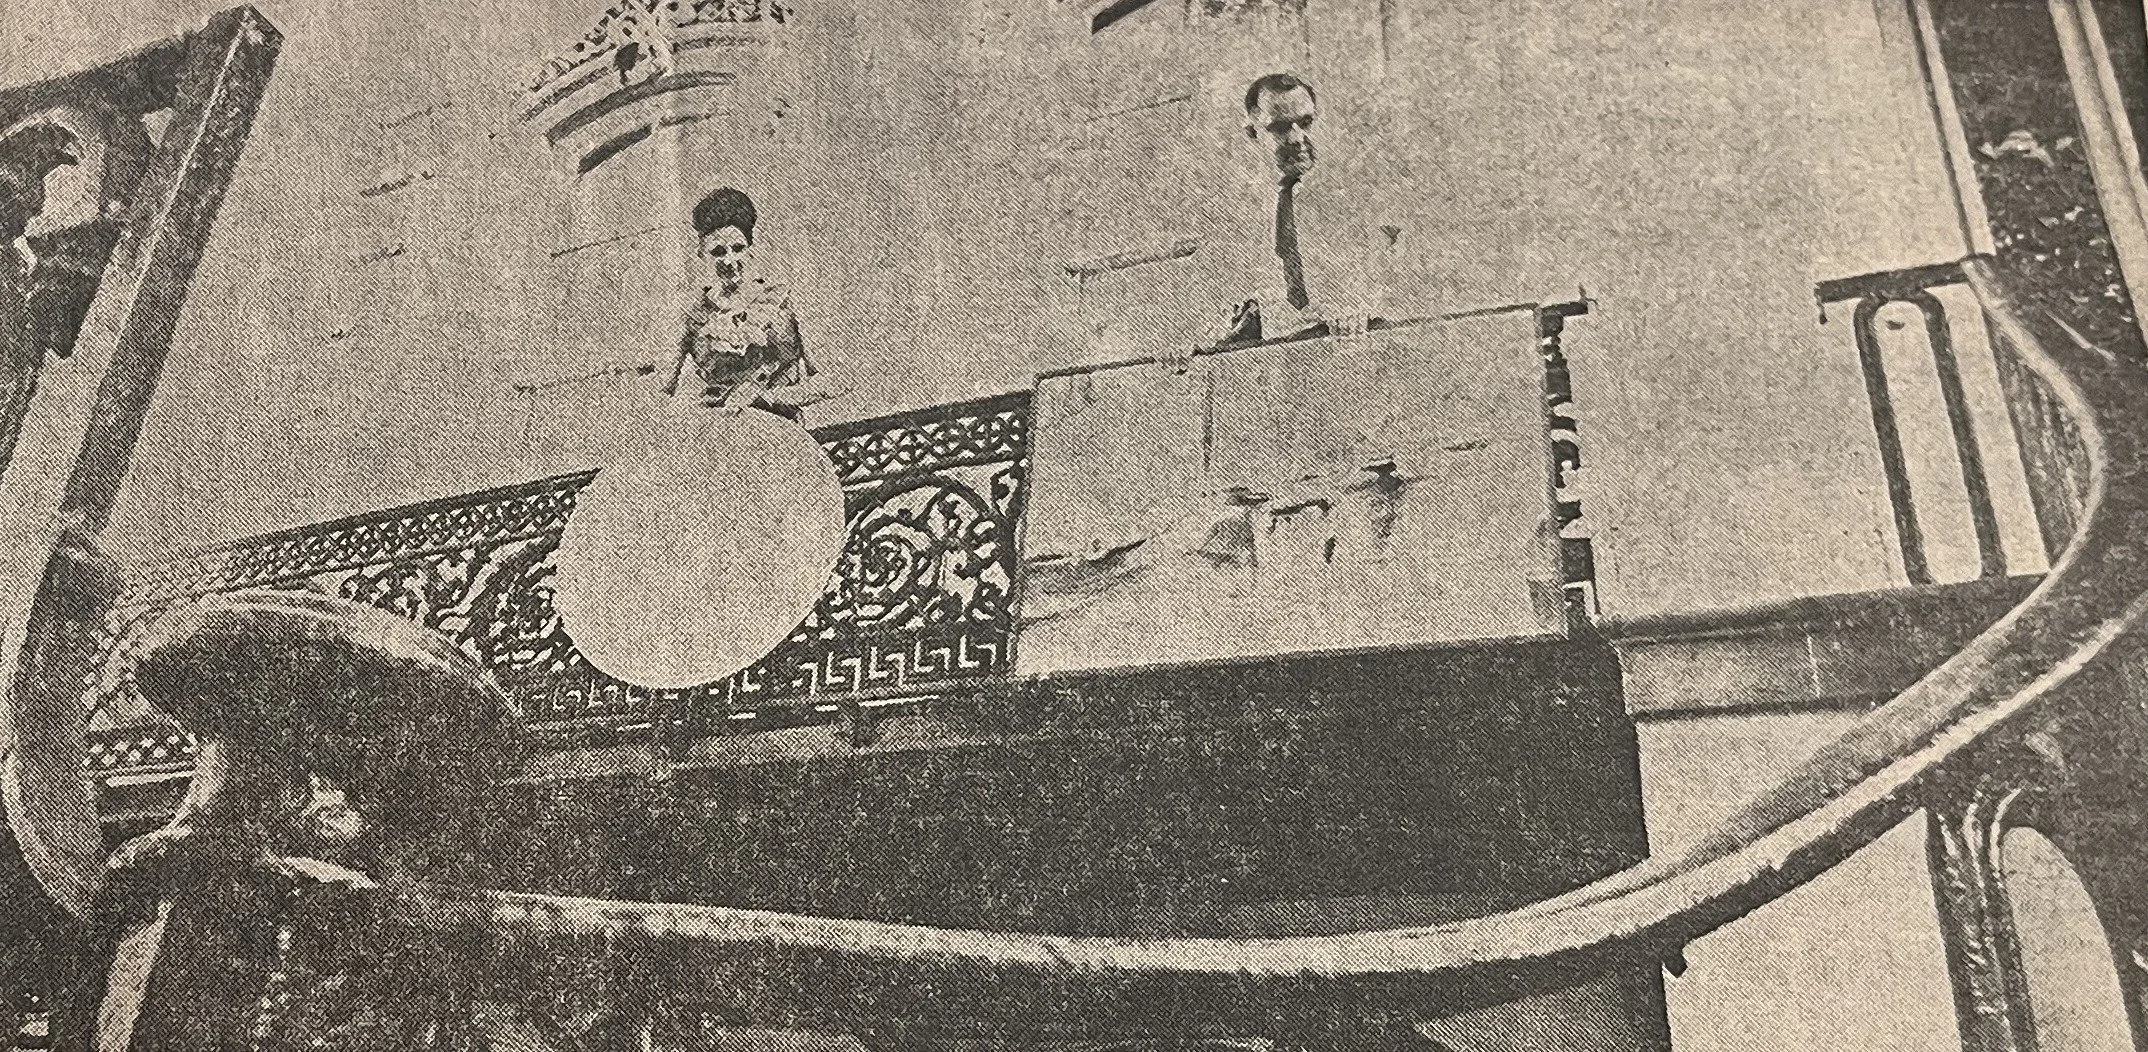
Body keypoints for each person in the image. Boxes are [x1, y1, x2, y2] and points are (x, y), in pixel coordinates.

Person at [1220, 73, 1398, 346]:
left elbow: (1401, 280)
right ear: (1252, 133)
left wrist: (1362, 307)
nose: (1297, 138)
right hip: (1284, 356)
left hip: (1360, 347)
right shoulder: (1240, 214)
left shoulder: (1362, 198)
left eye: (1305, 123)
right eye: (1279, 128)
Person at [660, 186, 841, 421]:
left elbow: (833, 381)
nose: (729, 261)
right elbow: (660, 392)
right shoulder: (694, 315)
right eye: (718, 252)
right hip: (718, 431)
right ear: (702, 254)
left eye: (737, 249)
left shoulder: (784, 302)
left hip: (780, 429)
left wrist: (765, 398)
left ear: (750, 249)